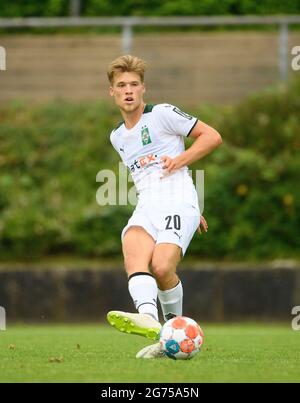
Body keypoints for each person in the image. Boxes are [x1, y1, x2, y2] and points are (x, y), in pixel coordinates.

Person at [106, 55, 222, 358]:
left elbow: (212, 137)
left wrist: (183, 171)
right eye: (121, 85)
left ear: (143, 88)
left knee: (161, 266)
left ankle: (169, 330)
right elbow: (146, 176)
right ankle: (149, 319)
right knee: (132, 246)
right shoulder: (117, 137)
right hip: (148, 205)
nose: (128, 90)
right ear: (113, 93)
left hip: (179, 203)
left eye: (133, 84)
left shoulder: (163, 114)